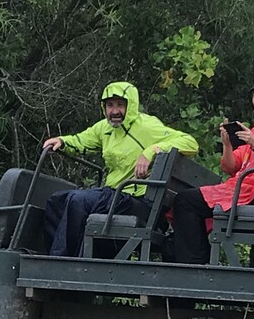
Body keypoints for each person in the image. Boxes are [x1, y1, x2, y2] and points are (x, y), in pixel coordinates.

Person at [41, 81, 198, 257]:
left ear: (130, 106)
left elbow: (190, 142)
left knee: (79, 200)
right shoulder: (104, 128)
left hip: (138, 201)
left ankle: (63, 260)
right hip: (114, 195)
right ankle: (53, 256)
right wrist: (62, 141)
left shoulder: (147, 126)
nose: (114, 111)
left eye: (120, 105)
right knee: (57, 201)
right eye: (110, 105)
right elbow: (81, 140)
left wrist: (151, 151)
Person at [170, 75, 254, 264]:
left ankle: (193, 264)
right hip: (243, 188)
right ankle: (195, 261)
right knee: (186, 200)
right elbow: (230, 166)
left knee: (184, 201)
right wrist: (227, 144)